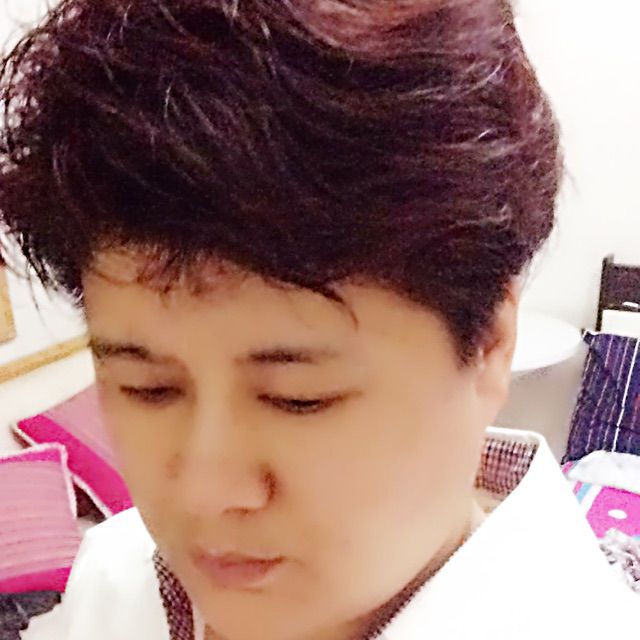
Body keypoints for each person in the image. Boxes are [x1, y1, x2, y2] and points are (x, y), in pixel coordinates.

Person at [0, 1, 636, 638]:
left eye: (297, 399)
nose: (204, 493)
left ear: (489, 343)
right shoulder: (111, 578)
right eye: (149, 388)